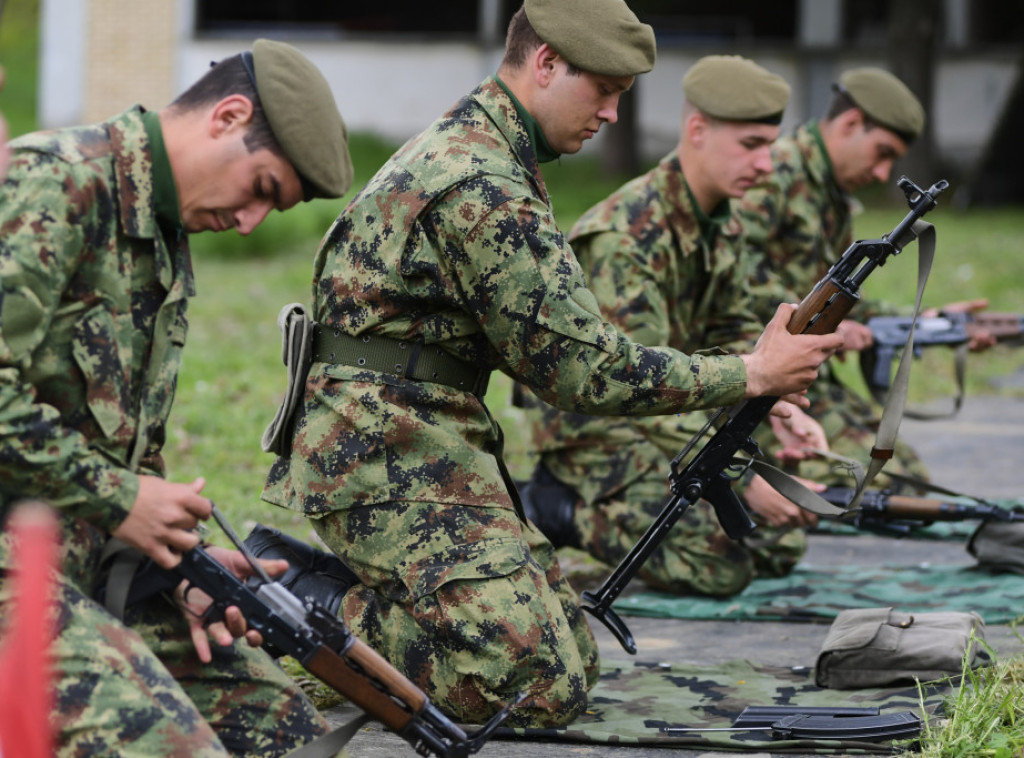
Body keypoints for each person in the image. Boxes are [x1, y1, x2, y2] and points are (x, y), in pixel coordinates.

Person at [259, 2, 842, 730]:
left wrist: (753, 384)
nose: (611, 114)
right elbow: (582, 371)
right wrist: (751, 375)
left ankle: (369, 590)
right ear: (545, 64)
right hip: (377, 449)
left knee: (574, 655)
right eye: (604, 91)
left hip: (422, 435)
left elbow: (548, 344)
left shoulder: (489, 152)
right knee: (529, 688)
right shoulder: (480, 182)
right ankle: (293, 595)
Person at [0, 39, 353, 756]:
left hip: (85, 559)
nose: (251, 222)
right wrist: (124, 498)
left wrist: (179, 568)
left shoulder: (163, 230)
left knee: (284, 732)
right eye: (262, 188)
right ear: (227, 117)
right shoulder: (57, 185)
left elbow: (110, 442)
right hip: (18, 562)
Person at [515, 55, 826, 598]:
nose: (767, 165)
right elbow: (634, 385)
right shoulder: (627, 237)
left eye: (770, 147)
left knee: (779, 544)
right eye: (751, 145)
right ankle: (558, 506)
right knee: (718, 563)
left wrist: (775, 407)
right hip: (599, 425)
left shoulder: (720, 221)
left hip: (673, 407)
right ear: (697, 130)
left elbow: (733, 333)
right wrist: (743, 474)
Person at [737, 66, 992, 488]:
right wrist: (833, 327)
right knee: (881, 483)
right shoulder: (772, 176)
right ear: (851, 123)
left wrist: (930, 322)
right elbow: (732, 285)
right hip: (754, 380)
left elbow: (841, 297)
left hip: (806, 380)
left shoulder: (828, 192)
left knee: (905, 471)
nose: (881, 173)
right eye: (882, 153)